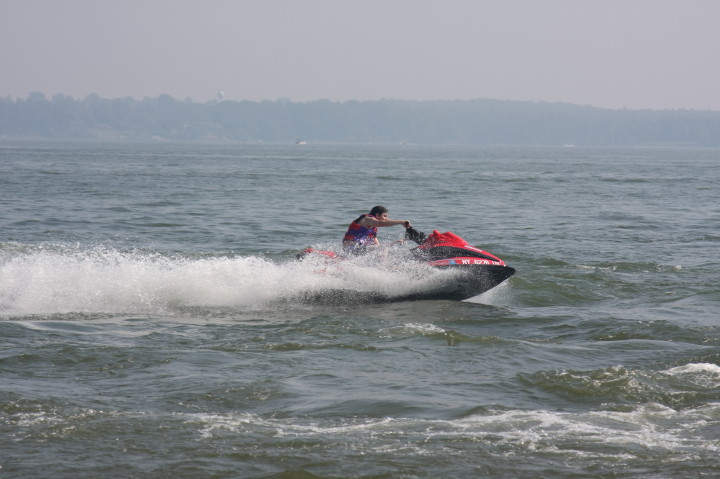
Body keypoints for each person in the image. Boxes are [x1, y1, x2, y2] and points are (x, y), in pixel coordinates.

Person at [342, 206, 411, 253]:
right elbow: (381, 223)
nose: (386, 219)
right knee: (382, 249)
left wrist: (394, 243)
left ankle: (381, 267)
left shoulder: (372, 230)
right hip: (350, 249)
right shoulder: (367, 219)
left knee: (382, 248)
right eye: (384, 216)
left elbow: (378, 246)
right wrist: (401, 222)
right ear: (377, 215)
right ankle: (382, 268)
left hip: (357, 250)